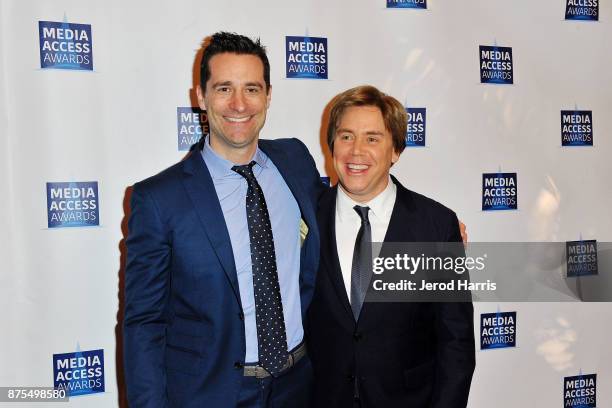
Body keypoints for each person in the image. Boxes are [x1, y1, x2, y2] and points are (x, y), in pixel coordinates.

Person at [123, 32, 323, 408]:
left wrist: (436, 233)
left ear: (268, 95)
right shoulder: (158, 199)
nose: (238, 104)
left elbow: (346, 215)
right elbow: (144, 324)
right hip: (210, 394)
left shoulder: (296, 161)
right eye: (223, 88)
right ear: (200, 97)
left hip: (299, 387)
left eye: (251, 88)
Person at [307, 85, 476, 408]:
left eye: (372, 138)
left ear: (396, 150)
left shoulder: (436, 226)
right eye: (346, 136)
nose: (356, 151)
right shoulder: (305, 214)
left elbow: (456, 343)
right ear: (331, 144)